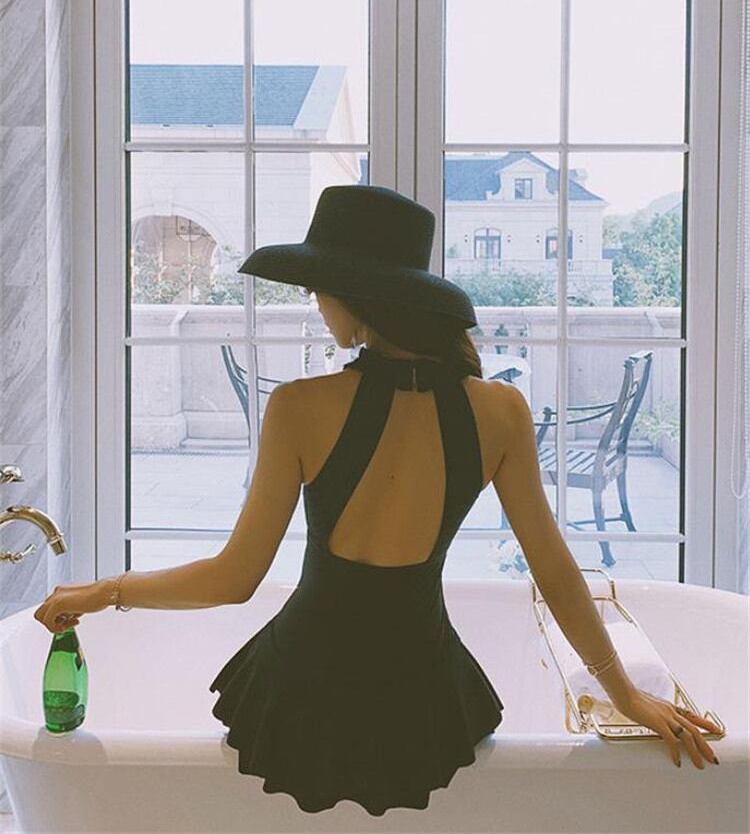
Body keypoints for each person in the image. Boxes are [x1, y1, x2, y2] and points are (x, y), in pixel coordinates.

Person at [34, 185, 721, 815]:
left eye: (319, 288)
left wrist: (104, 592)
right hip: (424, 697)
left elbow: (233, 578)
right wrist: (623, 694)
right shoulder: (501, 411)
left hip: (300, 693)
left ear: (357, 295)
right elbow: (556, 571)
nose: (315, 301)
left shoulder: (300, 407)